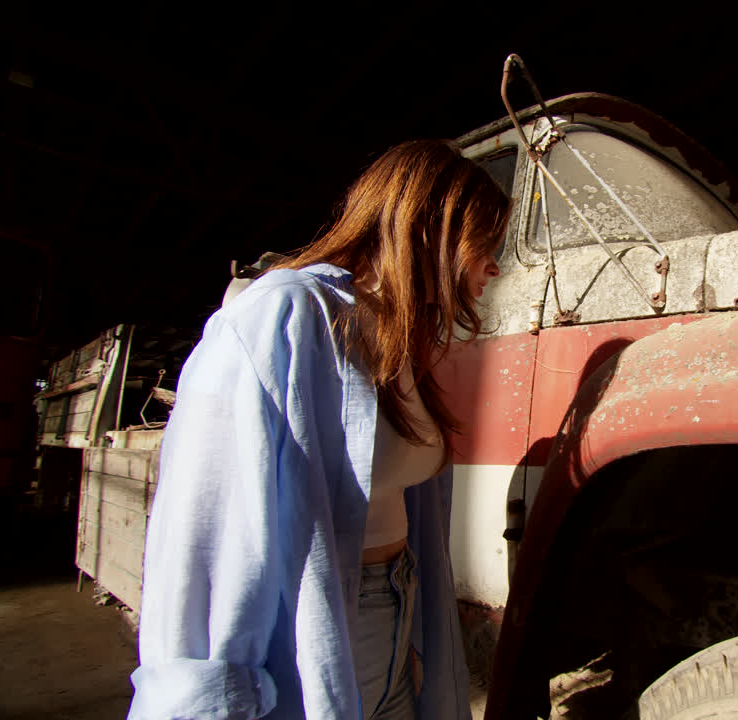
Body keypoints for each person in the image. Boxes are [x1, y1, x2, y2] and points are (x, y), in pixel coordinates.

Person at [127, 139, 509, 720]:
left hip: (395, 618)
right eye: (487, 242)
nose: (495, 264)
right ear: (431, 226)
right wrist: (203, 696)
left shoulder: (405, 347)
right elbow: (200, 526)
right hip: (320, 633)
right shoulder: (279, 314)